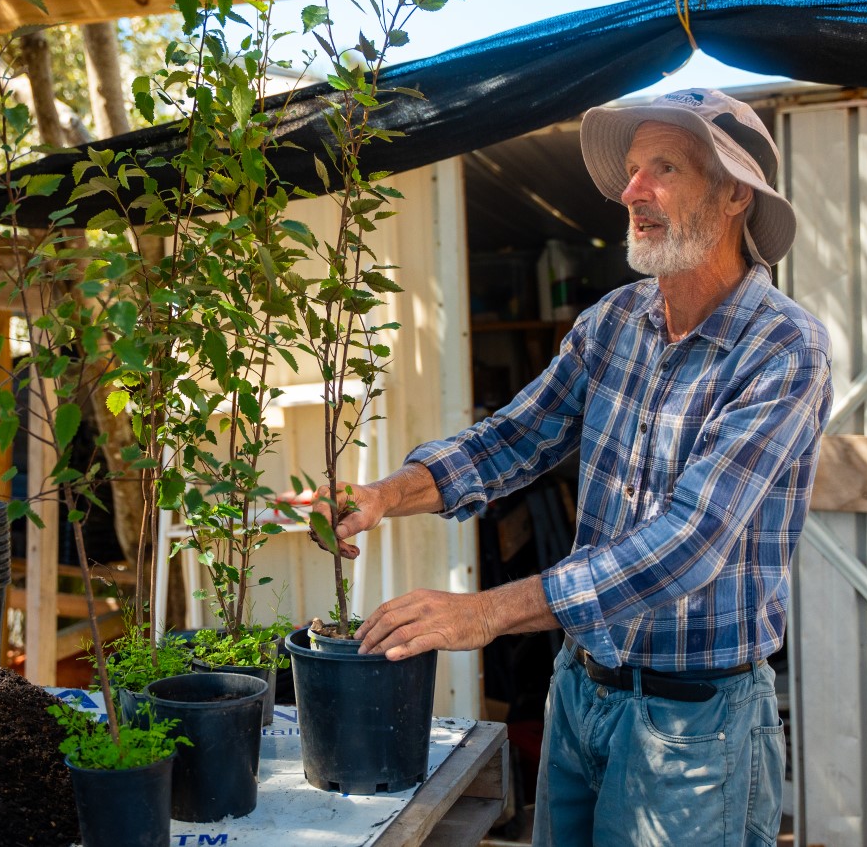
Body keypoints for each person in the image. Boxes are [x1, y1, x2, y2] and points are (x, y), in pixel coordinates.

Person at [312, 88, 833, 846]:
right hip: (581, 691)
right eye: (631, 171)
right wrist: (383, 494)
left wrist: (483, 612)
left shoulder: (784, 348)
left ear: (733, 196)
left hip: (694, 725)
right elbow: (513, 438)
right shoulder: (614, 322)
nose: (632, 192)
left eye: (663, 168)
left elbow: (688, 541)